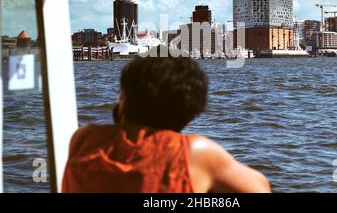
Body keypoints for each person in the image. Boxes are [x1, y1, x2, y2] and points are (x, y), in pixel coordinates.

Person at [62, 47, 270, 193]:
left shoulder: (83, 139)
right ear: (190, 112)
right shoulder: (195, 153)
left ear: (124, 100)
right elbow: (260, 188)